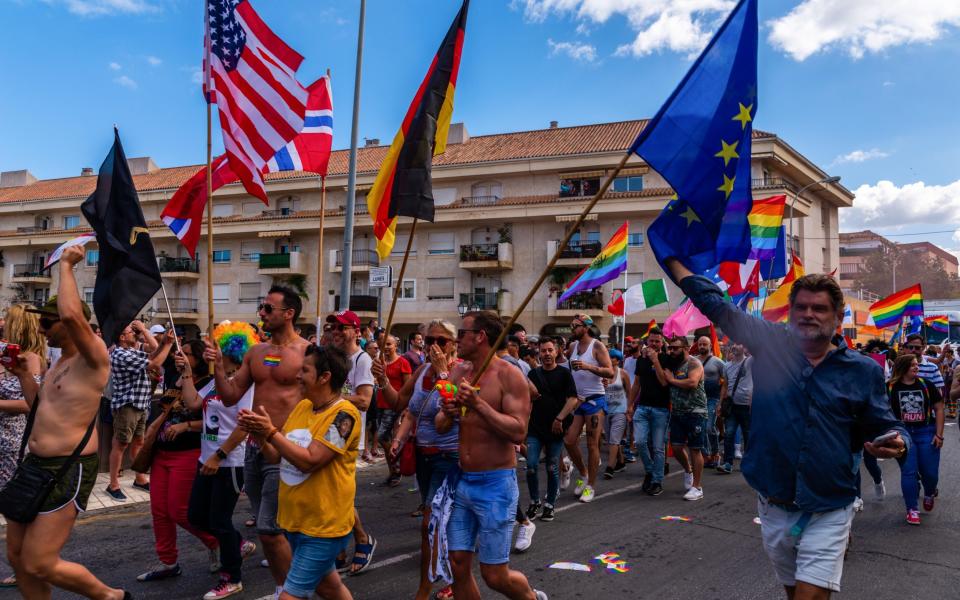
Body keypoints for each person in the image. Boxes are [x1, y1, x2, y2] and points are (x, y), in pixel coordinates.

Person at [667, 259, 910, 599]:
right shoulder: (770, 343)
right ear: (791, 312)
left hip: (830, 503)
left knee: (809, 596)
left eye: (820, 308)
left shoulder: (863, 371)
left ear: (838, 318)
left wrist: (898, 443)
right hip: (774, 500)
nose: (809, 314)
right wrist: (673, 262)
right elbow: (715, 305)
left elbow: (885, 424)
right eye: (802, 307)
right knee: (794, 590)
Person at [5, 246, 130, 599]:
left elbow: (74, 318)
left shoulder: (95, 357)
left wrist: (66, 266)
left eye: (48, 321)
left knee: (39, 562)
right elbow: (42, 409)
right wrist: (24, 377)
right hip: (34, 465)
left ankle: (110, 596)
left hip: (66, 468)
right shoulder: (58, 362)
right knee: (16, 557)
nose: (42, 329)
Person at [203, 285, 310, 597]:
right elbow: (229, 395)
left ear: (288, 314)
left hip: (287, 450)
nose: (261, 314)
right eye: (261, 308)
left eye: (267, 309)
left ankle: (293, 593)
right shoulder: (256, 352)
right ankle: (283, 589)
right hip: (254, 449)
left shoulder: (307, 353)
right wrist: (220, 367)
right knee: (272, 533)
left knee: (269, 529)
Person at [436, 311, 547, 600]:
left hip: (496, 485)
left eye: (462, 333)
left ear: (480, 336)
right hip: (463, 481)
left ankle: (532, 597)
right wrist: (449, 413)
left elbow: (519, 431)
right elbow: (440, 424)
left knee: (494, 575)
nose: (456, 340)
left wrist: (478, 404)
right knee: (458, 565)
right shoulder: (459, 372)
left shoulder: (509, 376)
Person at [238, 344, 359, 600]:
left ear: (325, 377)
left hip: (324, 527)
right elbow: (276, 456)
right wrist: (260, 436)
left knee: (289, 596)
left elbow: (311, 461)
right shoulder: (303, 407)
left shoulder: (344, 416)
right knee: (330, 587)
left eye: (304, 370)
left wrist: (270, 432)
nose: (297, 376)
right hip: (296, 521)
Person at [136, 339, 221, 583]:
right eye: (179, 353)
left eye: (186, 354)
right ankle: (168, 562)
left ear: (200, 359)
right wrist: (163, 350)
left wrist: (187, 426)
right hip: (162, 452)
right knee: (159, 512)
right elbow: (163, 401)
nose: (179, 356)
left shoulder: (210, 383)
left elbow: (216, 422)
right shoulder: (174, 375)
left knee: (179, 511)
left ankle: (219, 542)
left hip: (188, 452)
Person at [185, 322, 259, 599]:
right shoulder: (218, 380)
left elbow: (244, 426)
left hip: (229, 462)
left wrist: (220, 455)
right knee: (195, 516)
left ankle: (232, 577)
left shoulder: (244, 384)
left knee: (219, 521)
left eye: (214, 344)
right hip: (207, 459)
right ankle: (238, 544)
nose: (208, 347)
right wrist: (186, 373)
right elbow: (193, 403)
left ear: (228, 349)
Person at [392, 319, 460, 600]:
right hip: (424, 457)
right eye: (429, 340)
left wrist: (444, 373)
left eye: (441, 341)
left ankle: (426, 588)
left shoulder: (462, 372)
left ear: (453, 344)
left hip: (450, 457)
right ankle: (448, 579)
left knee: (430, 525)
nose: (434, 346)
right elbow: (404, 406)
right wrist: (398, 439)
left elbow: (448, 416)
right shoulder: (420, 371)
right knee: (441, 526)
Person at [325, 310, 377, 575]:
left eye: (342, 327)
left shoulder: (362, 359)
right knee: (332, 492)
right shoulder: (334, 357)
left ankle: (362, 538)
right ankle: (341, 547)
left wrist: (331, 395)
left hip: (349, 433)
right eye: (333, 327)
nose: (335, 331)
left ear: (356, 331)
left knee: (339, 493)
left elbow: (365, 399)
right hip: (330, 430)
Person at [0, 304, 47, 589]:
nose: (3, 322)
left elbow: (33, 405)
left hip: (14, 444)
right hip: (2, 441)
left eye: (8, 318)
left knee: (16, 509)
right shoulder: (6, 354)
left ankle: (26, 567)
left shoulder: (32, 359)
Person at [107, 319, 173, 500]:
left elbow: (154, 350)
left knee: (138, 442)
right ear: (122, 337)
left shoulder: (132, 350)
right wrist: (167, 344)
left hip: (141, 403)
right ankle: (113, 484)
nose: (134, 333)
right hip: (127, 405)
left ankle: (140, 478)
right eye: (131, 331)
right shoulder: (120, 354)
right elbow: (155, 363)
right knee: (120, 444)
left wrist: (144, 330)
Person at [525, 338, 579, 521]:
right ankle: (534, 501)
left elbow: (573, 399)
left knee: (551, 466)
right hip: (535, 429)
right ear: (539, 353)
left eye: (550, 350)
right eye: (543, 351)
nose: (547, 354)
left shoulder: (564, 374)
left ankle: (549, 504)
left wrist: (559, 419)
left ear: (556, 352)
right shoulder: (533, 374)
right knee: (531, 466)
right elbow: (526, 400)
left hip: (556, 429)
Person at [887, 353, 944, 525]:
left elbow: (939, 408)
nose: (916, 367)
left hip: (926, 431)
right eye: (912, 365)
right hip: (902, 433)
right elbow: (881, 412)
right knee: (909, 472)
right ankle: (912, 509)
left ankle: (928, 492)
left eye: (916, 364)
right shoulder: (889, 387)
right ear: (903, 367)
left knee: (930, 473)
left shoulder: (926, 385)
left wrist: (939, 434)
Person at [563, 314, 614, 503]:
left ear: (586, 327)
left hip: (595, 400)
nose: (572, 329)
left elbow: (609, 371)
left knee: (593, 444)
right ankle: (583, 474)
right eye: (571, 325)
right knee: (569, 440)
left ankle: (590, 486)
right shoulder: (572, 347)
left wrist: (587, 366)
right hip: (578, 400)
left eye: (575, 326)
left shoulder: (597, 346)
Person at [657, 336, 707, 501]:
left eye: (675, 348)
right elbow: (664, 382)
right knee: (676, 447)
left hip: (696, 412)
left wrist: (672, 379)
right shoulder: (673, 364)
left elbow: (692, 382)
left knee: (695, 449)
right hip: (678, 412)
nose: (671, 351)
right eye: (670, 348)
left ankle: (697, 487)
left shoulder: (694, 363)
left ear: (685, 348)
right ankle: (688, 470)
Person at [627, 328, 671, 496]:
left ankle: (657, 481)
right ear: (647, 341)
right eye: (651, 341)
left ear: (662, 343)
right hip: (643, 407)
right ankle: (651, 471)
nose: (653, 344)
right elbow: (636, 384)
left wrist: (656, 361)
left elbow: (664, 382)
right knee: (639, 442)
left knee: (658, 448)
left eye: (657, 341)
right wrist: (630, 405)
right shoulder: (641, 360)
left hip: (661, 409)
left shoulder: (667, 359)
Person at [371, 334, 412, 488]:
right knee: (384, 437)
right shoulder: (379, 363)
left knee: (382, 436)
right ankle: (392, 470)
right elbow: (374, 378)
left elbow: (408, 387)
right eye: (383, 345)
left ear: (396, 345)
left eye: (389, 344)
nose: (386, 347)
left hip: (394, 404)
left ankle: (396, 463)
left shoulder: (403, 362)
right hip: (380, 402)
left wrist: (405, 407)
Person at [717, 343, 753, 474]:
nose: (734, 346)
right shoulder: (726, 366)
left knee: (748, 435)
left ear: (744, 348)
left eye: (739, 344)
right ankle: (727, 463)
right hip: (732, 406)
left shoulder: (749, 362)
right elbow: (725, 386)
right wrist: (720, 403)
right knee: (729, 434)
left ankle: (750, 464)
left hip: (746, 406)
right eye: (733, 344)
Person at [695, 336, 726, 468]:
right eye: (700, 344)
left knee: (709, 427)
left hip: (713, 399)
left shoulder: (718, 362)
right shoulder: (693, 361)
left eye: (704, 344)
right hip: (697, 400)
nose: (702, 346)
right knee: (700, 428)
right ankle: (706, 456)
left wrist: (721, 401)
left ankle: (715, 453)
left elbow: (726, 381)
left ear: (710, 346)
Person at [602, 349, 631, 479]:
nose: (609, 359)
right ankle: (621, 462)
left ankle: (610, 467)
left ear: (617, 360)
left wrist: (630, 408)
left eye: (612, 357)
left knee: (614, 439)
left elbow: (629, 392)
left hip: (620, 410)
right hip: (606, 411)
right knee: (611, 440)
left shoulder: (623, 374)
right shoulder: (602, 373)